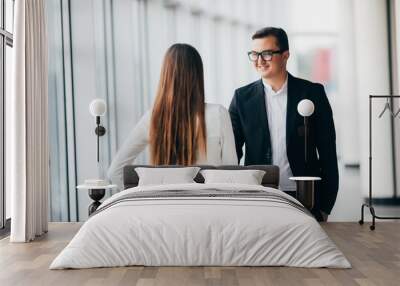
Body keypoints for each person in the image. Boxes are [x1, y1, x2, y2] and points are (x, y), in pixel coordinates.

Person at [229, 27, 338, 221]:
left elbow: (328, 152)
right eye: (254, 54)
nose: (259, 61)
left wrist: (325, 206)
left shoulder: (313, 93)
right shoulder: (241, 98)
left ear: (285, 55)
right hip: (258, 195)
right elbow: (232, 153)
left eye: (267, 54)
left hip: (304, 196)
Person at [108, 43, 237, 188]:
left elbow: (115, 171)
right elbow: (231, 174)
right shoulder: (219, 114)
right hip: (210, 204)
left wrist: (143, 195)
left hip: (165, 206)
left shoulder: (153, 117)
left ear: (165, 75)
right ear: (198, 75)